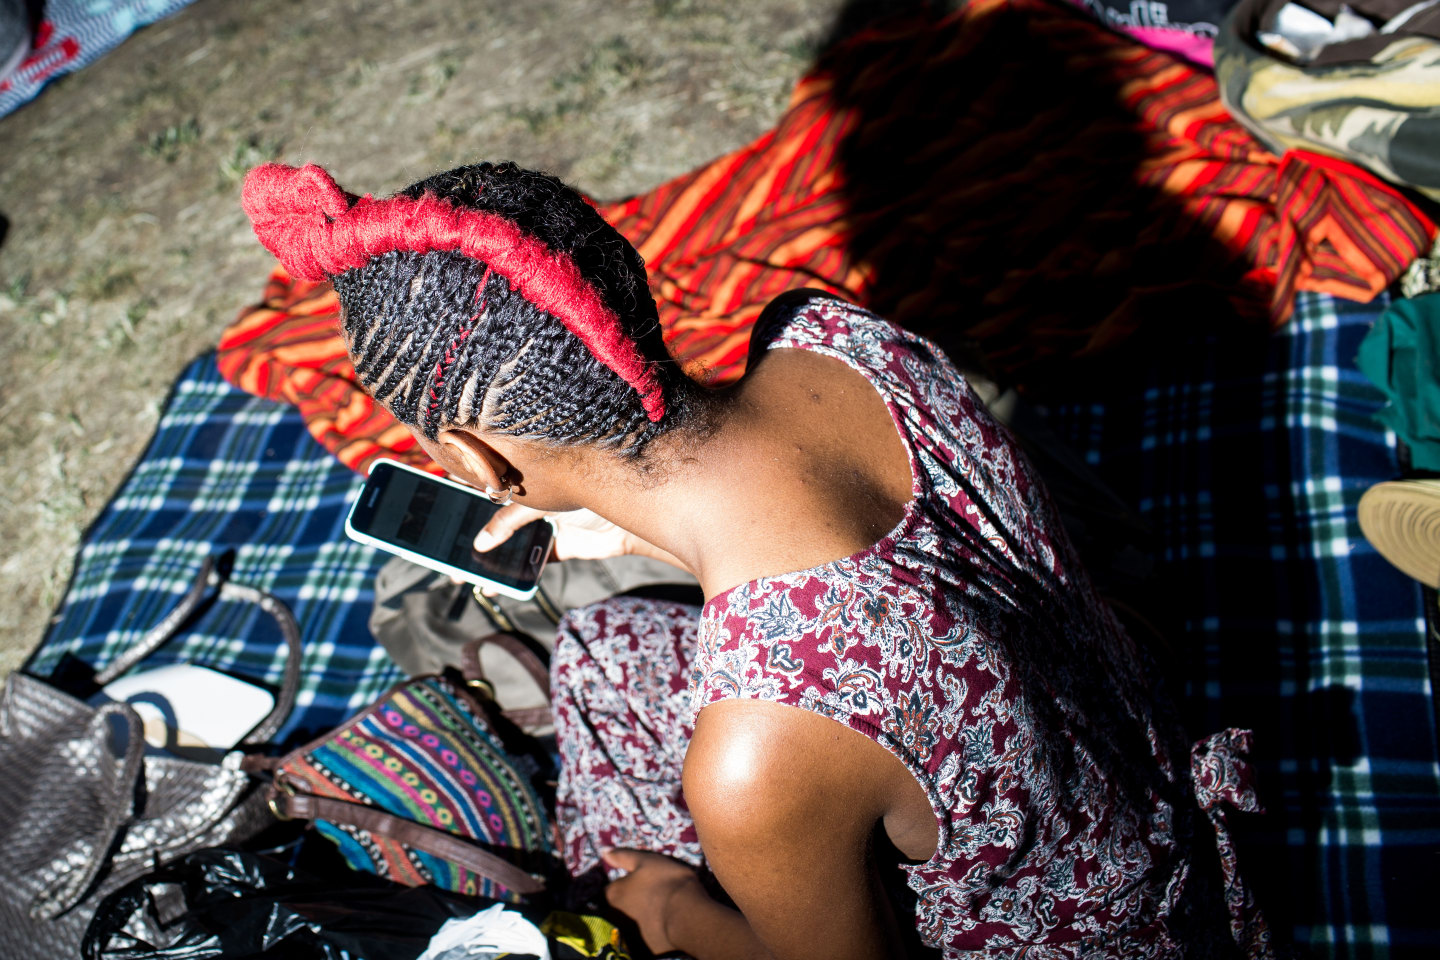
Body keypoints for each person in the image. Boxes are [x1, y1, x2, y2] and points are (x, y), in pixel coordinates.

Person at [242, 161, 1272, 959]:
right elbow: (846, 554)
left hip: (1102, 930)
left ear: (466, 459)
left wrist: (680, 909)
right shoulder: (831, 335)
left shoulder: (755, 755)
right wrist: (628, 530)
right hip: (1106, 765)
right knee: (599, 641)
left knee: (626, 880)